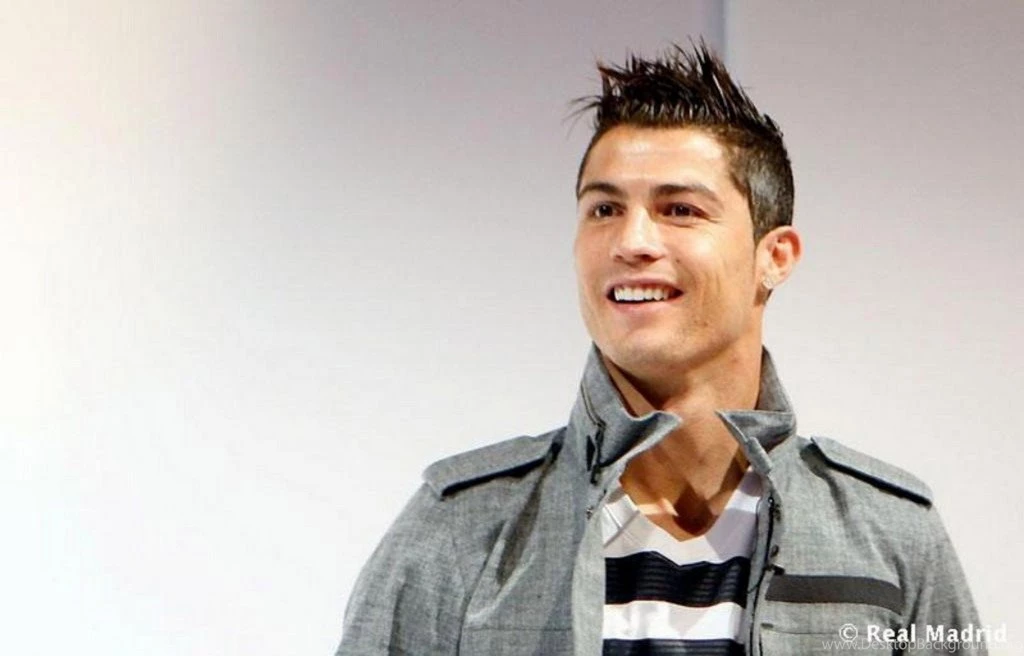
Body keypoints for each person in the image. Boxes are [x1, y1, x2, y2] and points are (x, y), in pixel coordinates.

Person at [336, 44, 983, 656]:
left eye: (679, 210)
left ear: (775, 256)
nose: (631, 242)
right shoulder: (459, 529)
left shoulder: (893, 538)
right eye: (604, 210)